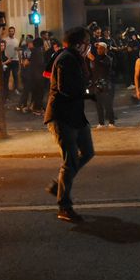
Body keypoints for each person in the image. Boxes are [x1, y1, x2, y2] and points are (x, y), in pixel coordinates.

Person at [44, 27, 95, 224]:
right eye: (87, 42)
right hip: (61, 117)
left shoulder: (76, 59)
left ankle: (59, 186)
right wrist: (87, 93)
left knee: (88, 151)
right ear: (78, 44)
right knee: (70, 160)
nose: (88, 46)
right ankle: (64, 206)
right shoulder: (66, 59)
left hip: (75, 116)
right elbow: (65, 89)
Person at [88, 41, 116, 127]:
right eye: (97, 48)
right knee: (98, 104)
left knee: (108, 104)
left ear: (105, 49)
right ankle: (101, 122)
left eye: (100, 48)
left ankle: (111, 122)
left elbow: (102, 67)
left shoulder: (108, 58)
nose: (98, 50)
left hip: (105, 84)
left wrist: (93, 59)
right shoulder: (97, 58)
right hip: (96, 84)